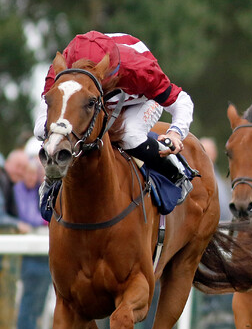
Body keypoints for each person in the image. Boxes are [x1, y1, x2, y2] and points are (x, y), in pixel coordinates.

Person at [34, 31, 194, 205]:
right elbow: (48, 111)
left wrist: (175, 132)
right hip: (85, 102)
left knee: (130, 135)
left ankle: (176, 172)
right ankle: (52, 181)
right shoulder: (61, 71)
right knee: (41, 130)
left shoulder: (139, 69)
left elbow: (180, 100)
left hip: (139, 101)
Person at [13, 156, 51, 329]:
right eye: (28, 173)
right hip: (29, 256)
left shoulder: (39, 189)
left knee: (39, 304)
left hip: (43, 253)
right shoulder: (19, 190)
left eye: (34, 174)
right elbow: (30, 216)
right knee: (28, 303)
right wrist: (42, 222)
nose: (32, 177)